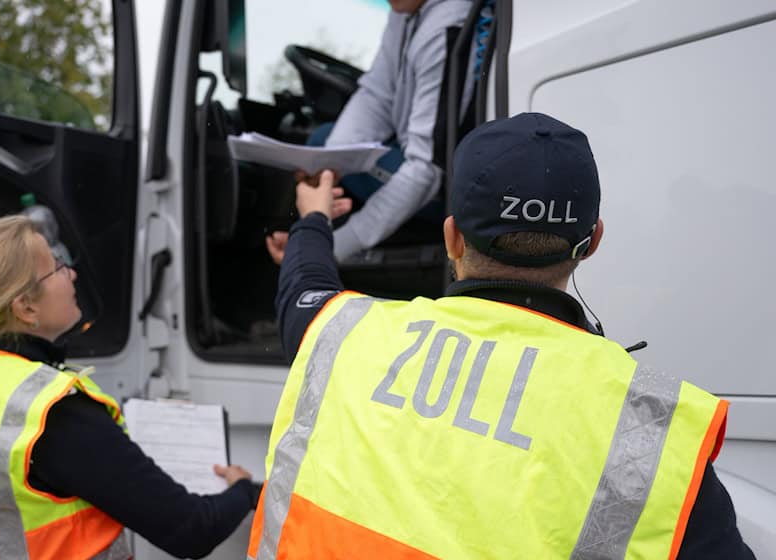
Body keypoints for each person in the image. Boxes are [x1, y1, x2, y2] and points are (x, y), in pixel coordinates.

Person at [248, 113, 755, 558]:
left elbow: (304, 288)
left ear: (451, 237)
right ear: (591, 241)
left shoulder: (347, 337)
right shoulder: (645, 435)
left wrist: (313, 217)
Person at [0, 215, 260, 560]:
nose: (72, 274)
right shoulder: (55, 413)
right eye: (58, 267)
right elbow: (191, 530)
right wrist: (242, 490)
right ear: (26, 307)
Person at [267, 0, 474, 264]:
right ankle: (312, 236)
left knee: (326, 150)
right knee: (324, 145)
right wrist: (332, 168)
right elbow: (378, 92)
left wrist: (330, 250)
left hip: (449, 189)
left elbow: (427, 169)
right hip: (420, 156)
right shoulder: (406, 12)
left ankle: (318, 256)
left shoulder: (448, 26)